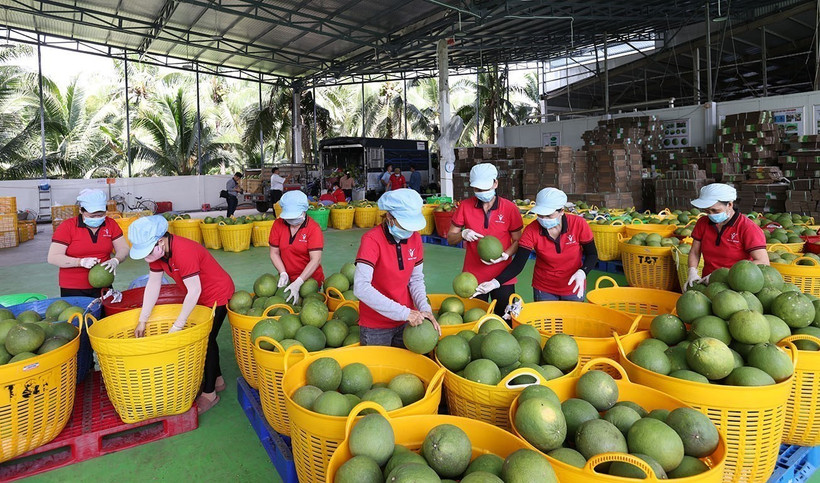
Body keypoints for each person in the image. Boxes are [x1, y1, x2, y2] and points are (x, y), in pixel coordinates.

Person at [129, 215, 235, 414]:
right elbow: (153, 284)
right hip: (199, 296)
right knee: (208, 340)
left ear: (160, 241)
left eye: (148, 251)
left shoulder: (183, 251)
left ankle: (210, 393)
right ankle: (218, 379)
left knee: (207, 340)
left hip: (216, 294)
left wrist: (178, 325)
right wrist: (143, 320)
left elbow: (194, 290)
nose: (147, 257)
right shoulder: (159, 254)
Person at [473, 188, 598, 302]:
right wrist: (494, 283)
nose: (543, 219)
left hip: (574, 286)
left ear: (561, 211)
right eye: (540, 215)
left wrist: (583, 272)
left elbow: (592, 254)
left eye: (549, 215)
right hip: (544, 288)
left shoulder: (579, 224)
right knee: (545, 324)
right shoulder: (532, 230)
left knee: (572, 323)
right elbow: (518, 264)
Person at [353, 189, 440, 346]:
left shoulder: (415, 238)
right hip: (376, 325)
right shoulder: (371, 240)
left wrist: (424, 308)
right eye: (405, 224)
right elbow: (361, 287)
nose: (409, 230)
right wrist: (404, 313)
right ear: (389, 217)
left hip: (408, 322)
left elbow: (416, 279)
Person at [447, 163, 523, 317]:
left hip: (503, 277)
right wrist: (462, 234)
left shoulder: (509, 209)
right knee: (474, 321)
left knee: (505, 321)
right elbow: (450, 238)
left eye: (485, 189)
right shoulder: (465, 207)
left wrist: (506, 254)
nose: (482, 193)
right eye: (478, 190)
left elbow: (518, 240)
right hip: (472, 279)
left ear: (495, 183)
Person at [47, 189, 129, 297]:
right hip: (73, 287)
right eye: (93, 216)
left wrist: (116, 260)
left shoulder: (111, 224)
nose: (98, 218)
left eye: (101, 214)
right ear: (81, 210)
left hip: (103, 283)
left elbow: (123, 248)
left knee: (105, 314)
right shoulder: (67, 227)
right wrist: (80, 262)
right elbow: (53, 257)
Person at [686, 183, 769, 288]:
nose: (711, 214)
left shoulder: (747, 227)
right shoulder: (703, 223)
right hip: (708, 282)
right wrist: (692, 271)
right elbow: (694, 252)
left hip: (738, 284)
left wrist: (724, 275)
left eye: (715, 210)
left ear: (730, 205)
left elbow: (763, 262)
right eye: (707, 211)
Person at [269, 190, 324, 304]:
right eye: (289, 217)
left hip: (310, 281)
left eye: (295, 216)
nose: (292, 220)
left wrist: (299, 282)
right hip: (288, 280)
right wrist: (283, 273)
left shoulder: (313, 228)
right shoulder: (278, 225)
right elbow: (274, 253)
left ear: (304, 210)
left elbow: (316, 259)